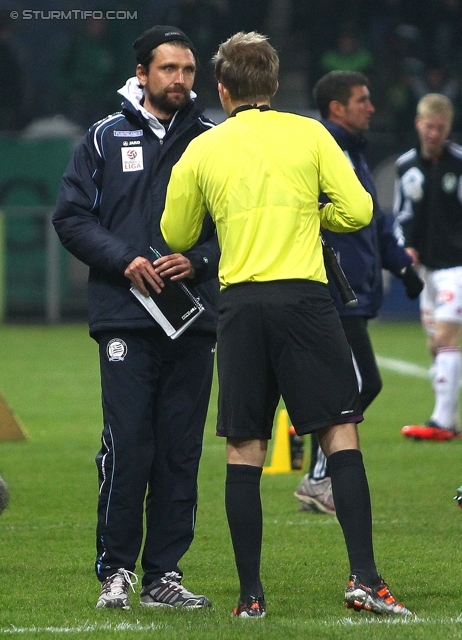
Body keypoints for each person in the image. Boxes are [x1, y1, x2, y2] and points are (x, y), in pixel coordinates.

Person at [160, 31, 412, 619]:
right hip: (305, 302)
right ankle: (365, 581)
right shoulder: (309, 133)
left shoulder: (204, 148)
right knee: (339, 433)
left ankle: (250, 598)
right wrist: (310, 209)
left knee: (244, 447)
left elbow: (175, 235)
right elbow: (360, 211)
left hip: (241, 307)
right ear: (274, 85)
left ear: (221, 90)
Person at [52, 25, 220, 609]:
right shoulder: (102, 138)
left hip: (191, 320)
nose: (180, 79)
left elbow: (234, 228)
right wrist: (125, 259)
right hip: (124, 317)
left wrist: (198, 260)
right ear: (142, 74)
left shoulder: (210, 140)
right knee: (128, 444)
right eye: (169, 69)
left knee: (180, 449)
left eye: (189, 70)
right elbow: (71, 217)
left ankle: (164, 576)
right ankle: (116, 571)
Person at [294, 71, 423, 515]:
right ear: (337, 108)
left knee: (357, 385)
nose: (371, 107)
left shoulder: (353, 152)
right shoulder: (321, 151)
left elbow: (376, 221)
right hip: (332, 291)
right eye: (362, 100)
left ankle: (313, 468)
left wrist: (401, 265)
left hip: (353, 291)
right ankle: (315, 476)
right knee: (355, 385)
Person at [394, 93, 462, 441]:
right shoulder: (406, 165)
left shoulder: (459, 163)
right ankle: (448, 419)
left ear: (448, 127)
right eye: (429, 126)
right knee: (434, 345)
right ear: (418, 123)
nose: (434, 133)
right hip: (427, 272)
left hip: (457, 268)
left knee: (446, 338)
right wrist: (406, 245)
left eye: (441, 128)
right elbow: (403, 214)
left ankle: (442, 422)